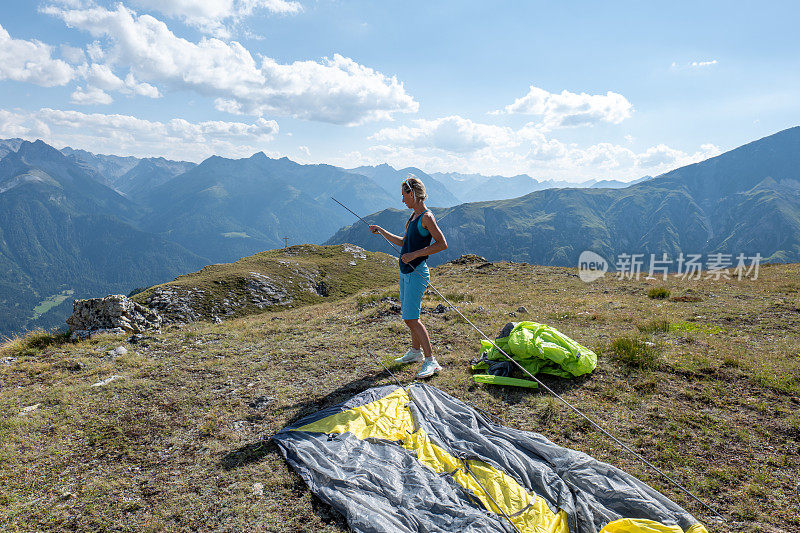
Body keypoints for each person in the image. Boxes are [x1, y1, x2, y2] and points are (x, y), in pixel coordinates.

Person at [369, 177, 448, 378]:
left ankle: (431, 361)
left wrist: (414, 255)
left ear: (412, 194)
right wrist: (382, 232)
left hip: (416, 272)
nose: (402, 200)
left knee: (411, 318)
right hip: (406, 273)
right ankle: (415, 353)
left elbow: (442, 244)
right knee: (410, 316)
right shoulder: (413, 217)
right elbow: (404, 242)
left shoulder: (426, 217)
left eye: (404, 195)